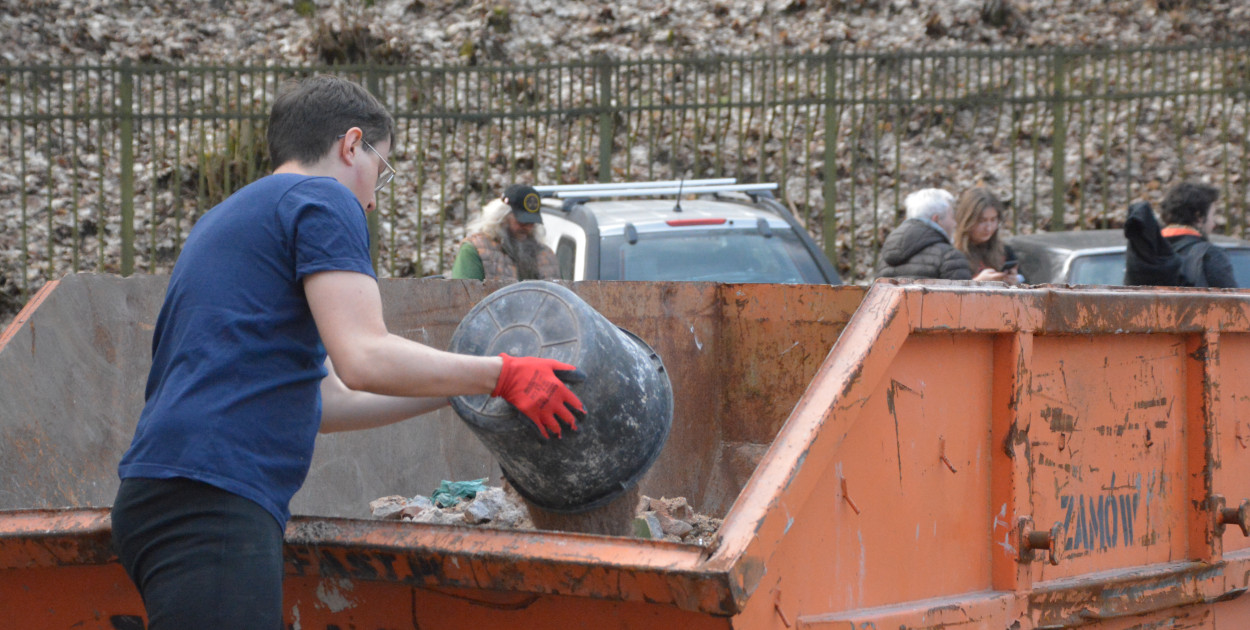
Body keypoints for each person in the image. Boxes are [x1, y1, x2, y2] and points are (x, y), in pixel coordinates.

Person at [110, 75, 585, 630]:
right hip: (213, 500)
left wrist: (460, 385)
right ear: (351, 145)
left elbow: (329, 400)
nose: (373, 199)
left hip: (160, 496)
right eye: (381, 170)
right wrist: (502, 373)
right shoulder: (323, 197)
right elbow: (363, 357)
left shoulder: (227, 217)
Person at [449, 184, 562, 281]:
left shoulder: (547, 256)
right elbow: (464, 295)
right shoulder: (474, 250)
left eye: (532, 223)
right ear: (502, 217)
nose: (527, 227)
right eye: (522, 221)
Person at [875, 188, 973, 280]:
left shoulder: (885, 258)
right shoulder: (950, 257)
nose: (954, 223)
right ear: (936, 219)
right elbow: (961, 293)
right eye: (952, 217)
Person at [1158, 181, 1237, 288]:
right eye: (1212, 215)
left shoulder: (1147, 251)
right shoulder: (1209, 255)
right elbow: (1231, 297)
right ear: (1199, 217)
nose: (1214, 224)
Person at [952, 186, 1022, 283]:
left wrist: (1014, 281)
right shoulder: (952, 255)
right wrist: (977, 282)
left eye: (993, 220)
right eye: (982, 221)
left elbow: (1026, 283)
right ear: (967, 221)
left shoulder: (1005, 252)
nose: (988, 228)